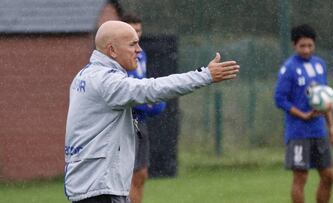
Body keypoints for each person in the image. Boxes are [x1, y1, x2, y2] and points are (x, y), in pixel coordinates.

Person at [64, 20, 239, 203]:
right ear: (112, 50)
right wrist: (205, 75)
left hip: (93, 185)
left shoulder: (85, 75)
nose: (139, 50)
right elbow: (151, 89)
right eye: (132, 44)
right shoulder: (106, 81)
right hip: (100, 189)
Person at [274, 24, 333, 203]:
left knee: (329, 176)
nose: (306, 49)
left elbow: (325, 100)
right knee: (301, 178)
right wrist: (303, 115)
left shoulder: (320, 65)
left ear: (314, 44)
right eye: (302, 46)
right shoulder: (289, 68)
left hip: (319, 131)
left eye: (310, 45)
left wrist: (331, 126)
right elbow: (280, 99)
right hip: (298, 132)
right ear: (294, 45)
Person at [121, 12, 166, 203]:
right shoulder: (117, 57)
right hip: (126, 122)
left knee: (141, 174)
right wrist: (148, 102)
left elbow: (142, 84)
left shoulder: (141, 54)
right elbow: (127, 89)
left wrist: (152, 102)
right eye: (132, 31)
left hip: (140, 122)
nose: (136, 35)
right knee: (127, 176)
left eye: (139, 31)